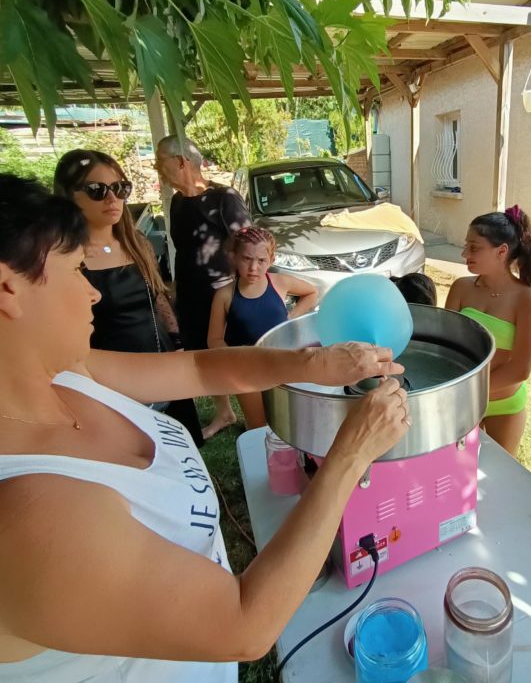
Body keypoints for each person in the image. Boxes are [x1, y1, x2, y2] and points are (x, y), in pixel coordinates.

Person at [0, 174, 409, 682]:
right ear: (7, 288)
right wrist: (351, 455)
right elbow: (244, 624)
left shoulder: (68, 374)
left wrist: (311, 366)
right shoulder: (28, 514)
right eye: (74, 271)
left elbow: (200, 368)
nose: (92, 295)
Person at [53, 149, 204, 446]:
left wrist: (178, 342)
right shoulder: (63, 258)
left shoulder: (136, 243)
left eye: (121, 188)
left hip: (161, 366)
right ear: (69, 197)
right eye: (97, 190)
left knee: (180, 450)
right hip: (111, 381)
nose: (113, 199)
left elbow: (157, 297)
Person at [154, 135, 252, 438]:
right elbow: (183, 249)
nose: (157, 168)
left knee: (237, 355)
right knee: (202, 353)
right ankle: (224, 412)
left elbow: (248, 245)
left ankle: (256, 412)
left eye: (161, 161)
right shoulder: (178, 202)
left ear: (181, 162)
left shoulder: (224, 198)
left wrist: (244, 291)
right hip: (190, 294)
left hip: (221, 293)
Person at [445, 206, 531, 456]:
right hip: (463, 402)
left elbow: (522, 368)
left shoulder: (526, 298)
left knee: (499, 479)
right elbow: (447, 348)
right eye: (467, 245)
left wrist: (468, 390)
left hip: (504, 405)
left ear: (501, 251)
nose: (465, 252)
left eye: (474, 247)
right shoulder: (460, 288)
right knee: (459, 471)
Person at [208, 226, 318, 429]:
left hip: (284, 363)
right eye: (246, 259)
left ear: (272, 260)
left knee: (290, 422)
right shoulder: (224, 295)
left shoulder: (279, 283)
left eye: (261, 261)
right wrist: (235, 359)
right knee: (258, 425)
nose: (253, 268)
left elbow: (312, 292)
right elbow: (213, 339)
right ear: (234, 258)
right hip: (247, 371)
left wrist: (291, 316)